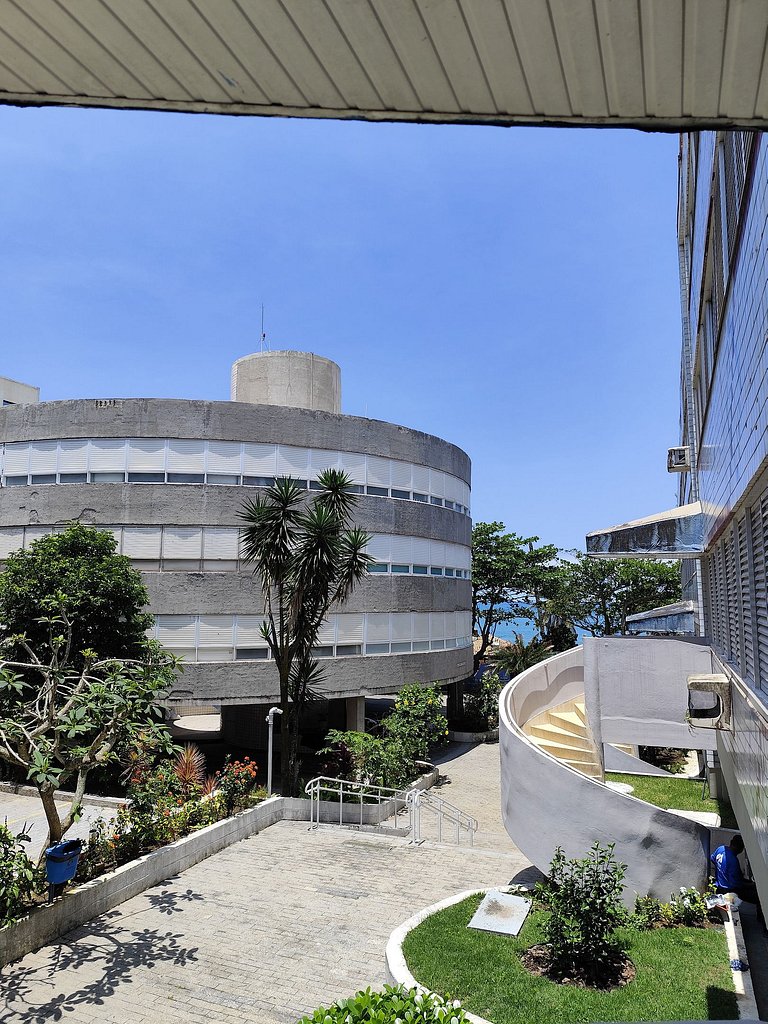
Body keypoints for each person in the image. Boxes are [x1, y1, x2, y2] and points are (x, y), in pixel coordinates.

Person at [711, 835, 764, 925]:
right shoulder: (733, 861)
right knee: (760, 897)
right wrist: (752, 885)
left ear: (731, 842)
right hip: (728, 890)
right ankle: (763, 924)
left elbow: (712, 858)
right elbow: (737, 884)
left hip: (719, 884)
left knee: (751, 885)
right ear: (740, 849)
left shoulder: (721, 849)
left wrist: (720, 871)